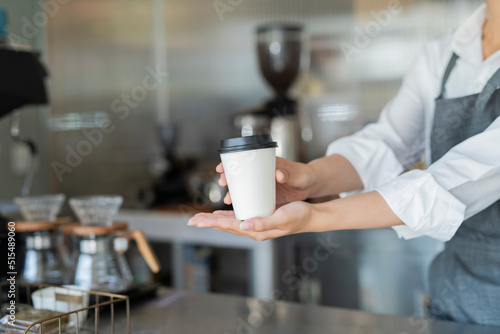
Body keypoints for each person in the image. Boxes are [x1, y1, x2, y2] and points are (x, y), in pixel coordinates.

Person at [188, 1, 500, 326]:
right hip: (452, 298)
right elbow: (387, 142)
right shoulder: (444, 52)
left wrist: (315, 216)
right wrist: (309, 177)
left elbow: (454, 181)